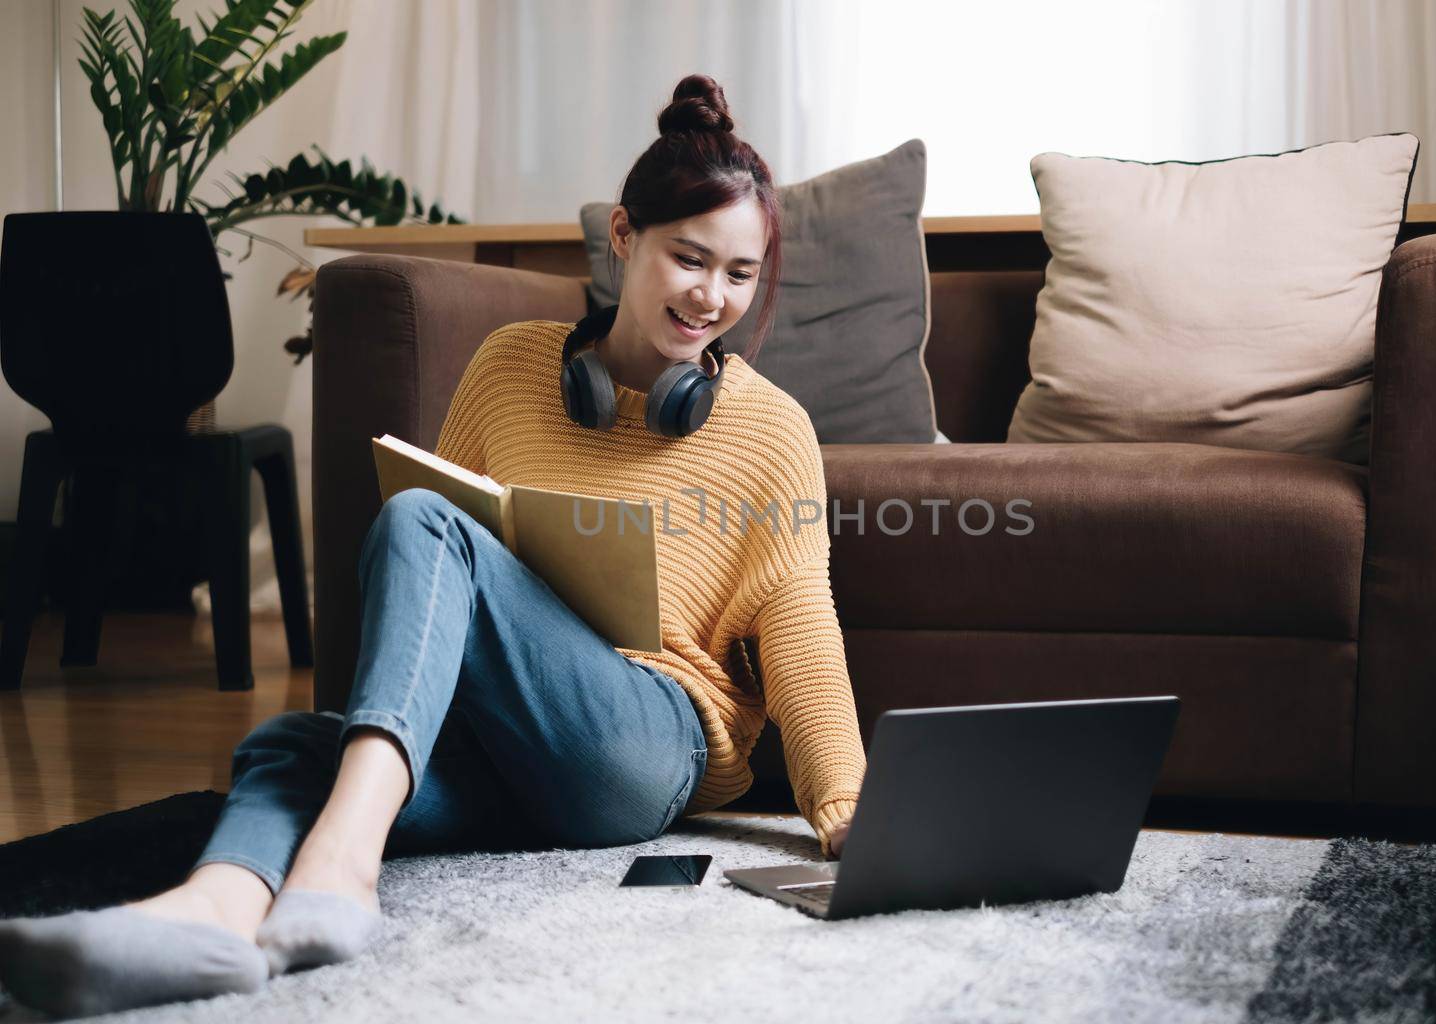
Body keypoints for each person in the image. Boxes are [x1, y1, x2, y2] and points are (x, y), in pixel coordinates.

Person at [0, 73, 866, 1018]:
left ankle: (342, 866)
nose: (711, 297)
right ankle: (213, 914)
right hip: (509, 756)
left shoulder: (771, 430)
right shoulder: (509, 369)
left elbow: (800, 626)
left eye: (739, 274)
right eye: (688, 259)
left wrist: (846, 810)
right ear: (625, 237)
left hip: (644, 749)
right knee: (289, 745)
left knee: (421, 521)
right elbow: (440, 587)